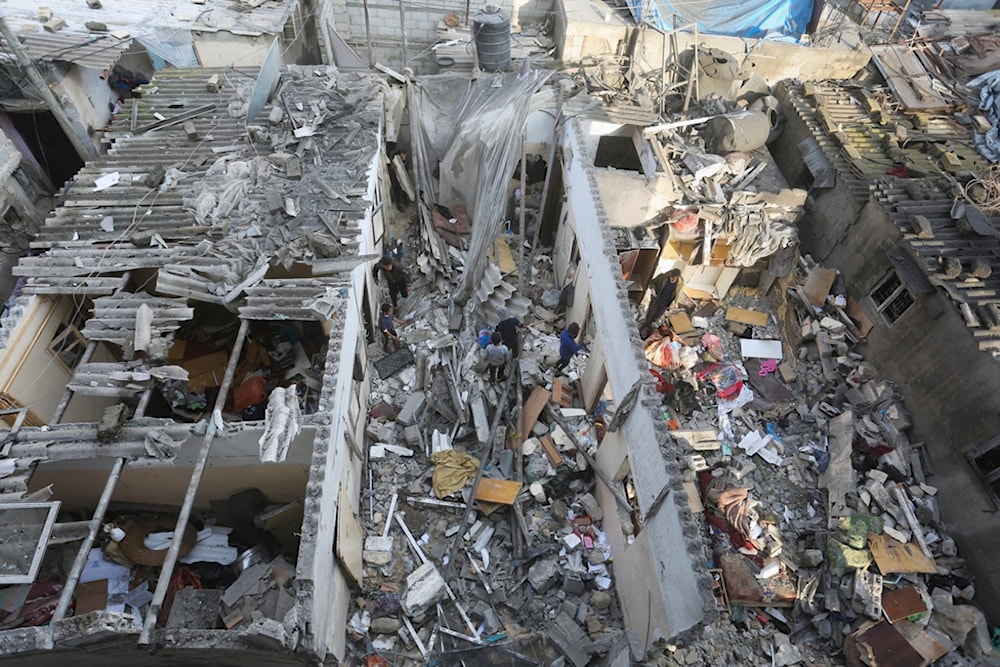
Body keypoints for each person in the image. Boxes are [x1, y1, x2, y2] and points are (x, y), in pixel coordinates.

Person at [642, 268, 683, 335]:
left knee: (657, 316)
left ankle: (650, 330)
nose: (671, 279)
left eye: (673, 278)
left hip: (666, 303)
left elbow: (677, 293)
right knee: (650, 314)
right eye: (671, 276)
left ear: (677, 277)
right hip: (656, 300)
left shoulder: (679, 284)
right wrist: (653, 289)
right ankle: (645, 327)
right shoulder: (662, 277)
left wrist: (675, 302)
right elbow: (652, 282)